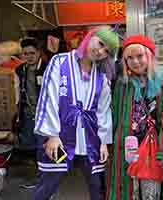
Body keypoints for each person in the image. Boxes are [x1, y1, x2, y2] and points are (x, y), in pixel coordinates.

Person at [33, 27, 119, 200]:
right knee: (48, 184)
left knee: (97, 187)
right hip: (62, 135)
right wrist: (52, 135)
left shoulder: (102, 76)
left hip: (90, 137)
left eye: (106, 51)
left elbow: (103, 110)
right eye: (100, 44)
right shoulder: (60, 61)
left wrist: (103, 142)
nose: (100, 51)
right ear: (90, 37)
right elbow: (48, 97)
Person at [107, 35, 163, 200]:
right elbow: (116, 117)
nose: (135, 61)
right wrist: (113, 147)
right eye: (129, 58)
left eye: (139, 56)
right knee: (129, 191)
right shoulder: (122, 84)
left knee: (151, 193)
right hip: (128, 147)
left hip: (153, 150)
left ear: (149, 56)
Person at [14, 37, 47, 189]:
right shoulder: (20, 70)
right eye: (26, 54)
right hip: (28, 113)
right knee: (33, 146)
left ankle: (45, 179)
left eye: (32, 53)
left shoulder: (47, 68)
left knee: (44, 146)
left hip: (45, 115)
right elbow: (17, 91)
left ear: (39, 53)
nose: (29, 57)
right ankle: (42, 176)